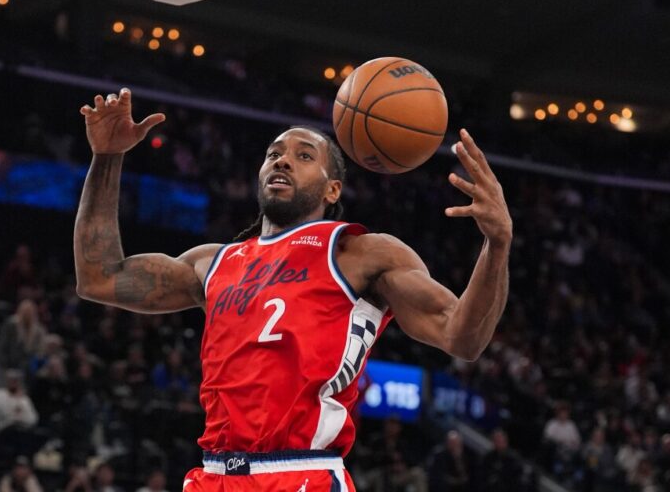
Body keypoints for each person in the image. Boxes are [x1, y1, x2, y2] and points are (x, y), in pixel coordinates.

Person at [74, 89, 512, 491]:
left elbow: (462, 336)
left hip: (301, 473)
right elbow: (99, 278)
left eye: (303, 156)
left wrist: (497, 244)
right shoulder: (212, 263)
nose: (282, 161)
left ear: (332, 189)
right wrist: (107, 158)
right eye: (274, 154)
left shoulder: (359, 253)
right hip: (213, 476)